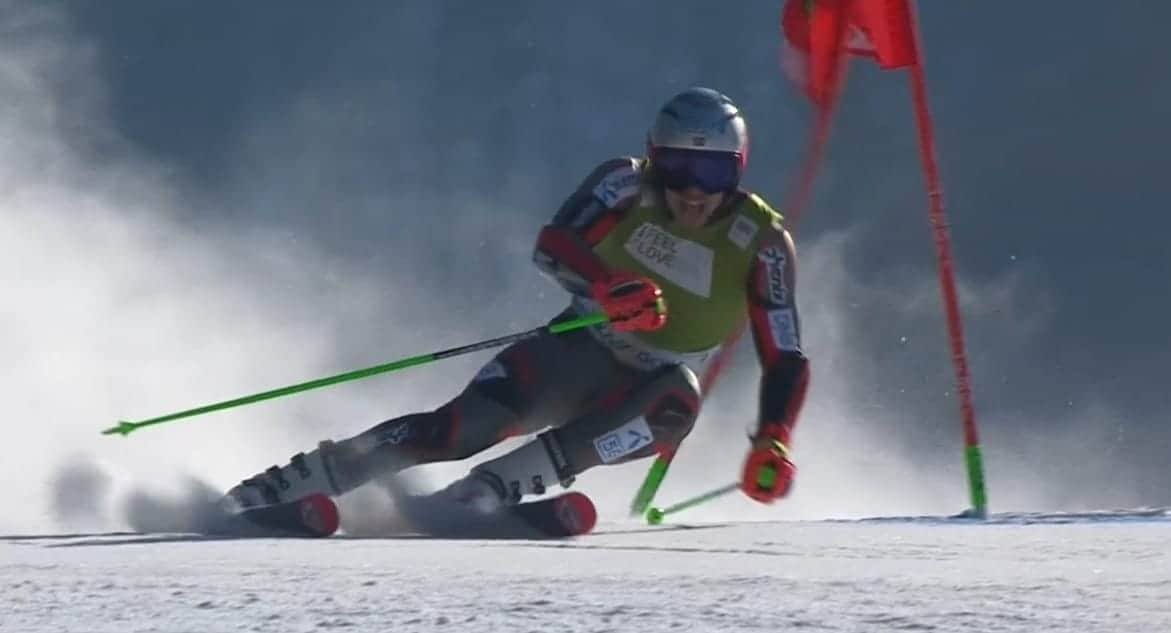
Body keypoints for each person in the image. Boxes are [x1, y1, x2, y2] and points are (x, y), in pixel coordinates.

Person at [222, 86, 810, 516]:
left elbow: (784, 354)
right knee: (458, 429)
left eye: (711, 171)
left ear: (737, 172)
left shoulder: (761, 242)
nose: (692, 191)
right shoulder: (626, 185)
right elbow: (555, 244)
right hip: (581, 343)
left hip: (652, 382)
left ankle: (488, 493)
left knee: (676, 408)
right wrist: (605, 287)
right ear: (654, 156)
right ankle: (301, 479)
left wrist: (773, 437)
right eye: (678, 165)